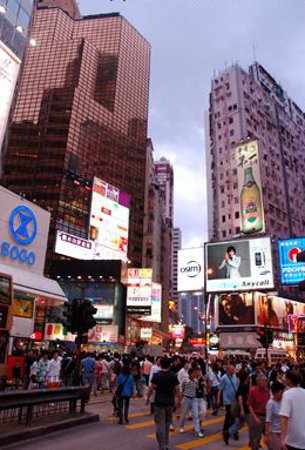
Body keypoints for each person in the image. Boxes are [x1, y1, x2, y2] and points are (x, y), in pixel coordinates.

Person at [147, 357, 182, 450]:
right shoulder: (173, 375)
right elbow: (177, 389)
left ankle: (161, 445)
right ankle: (165, 444)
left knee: (159, 424)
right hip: (170, 403)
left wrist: (147, 398)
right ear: (169, 364)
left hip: (159, 403)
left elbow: (151, 388)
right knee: (167, 424)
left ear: (160, 364)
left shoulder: (157, 375)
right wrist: (179, 400)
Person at [280, 369, 305, 450]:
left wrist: (282, 439)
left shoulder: (287, 394)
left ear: (289, 380)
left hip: (293, 439)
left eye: (285, 377)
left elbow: (284, 418)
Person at [178, 367, 204, 438]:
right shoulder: (185, 380)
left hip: (193, 399)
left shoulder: (196, 381)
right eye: (194, 373)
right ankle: (180, 426)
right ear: (189, 373)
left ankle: (197, 431)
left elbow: (197, 389)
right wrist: (180, 400)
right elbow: (182, 389)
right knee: (183, 414)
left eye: (195, 373)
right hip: (186, 398)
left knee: (195, 415)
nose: (195, 374)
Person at [247, 373, 270, 450]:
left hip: (265, 417)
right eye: (264, 381)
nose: (266, 382)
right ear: (258, 382)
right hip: (256, 416)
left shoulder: (267, 392)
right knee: (255, 439)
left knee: (266, 438)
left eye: (266, 381)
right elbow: (249, 405)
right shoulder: (253, 391)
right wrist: (255, 418)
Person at [217, 363, 238, 444]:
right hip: (227, 400)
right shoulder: (224, 378)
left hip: (234, 400)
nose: (234, 371)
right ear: (228, 370)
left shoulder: (234, 377)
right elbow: (220, 389)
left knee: (230, 416)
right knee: (231, 415)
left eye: (234, 369)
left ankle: (226, 430)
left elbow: (236, 386)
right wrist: (218, 400)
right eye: (232, 370)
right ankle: (232, 432)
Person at [265, 380, 285, 450]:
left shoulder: (283, 401)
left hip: (283, 432)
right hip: (274, 433)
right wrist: (267, 435)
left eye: (283, 392)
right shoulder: (271, 403)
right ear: (275, 392)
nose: (283, 394)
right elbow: (268, 420)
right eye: (281, 392)